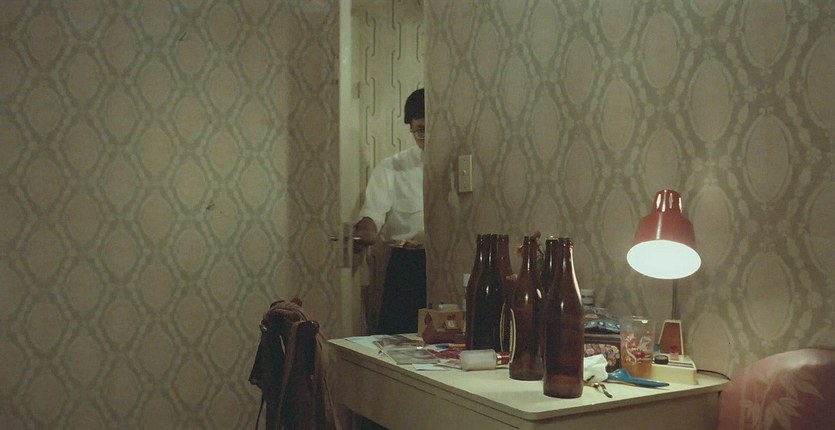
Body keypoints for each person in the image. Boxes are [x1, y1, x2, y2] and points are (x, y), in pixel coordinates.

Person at [353, 88, 426, 335]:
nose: (427, 137)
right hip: (407, 266)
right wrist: (366, 228)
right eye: (420, 130)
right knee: (398, 340)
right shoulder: (392, 167)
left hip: (451, 264)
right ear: (411, 128)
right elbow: (372, 212)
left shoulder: (460, 163)